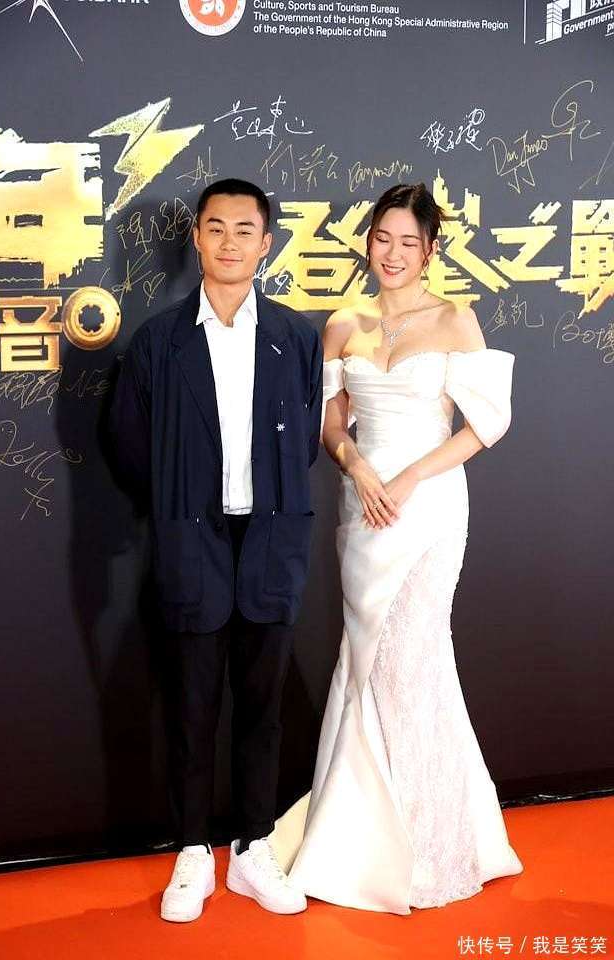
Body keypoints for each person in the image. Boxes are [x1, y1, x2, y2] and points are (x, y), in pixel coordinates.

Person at [272, 182, 523, 913]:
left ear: (430, 250)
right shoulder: (342, 323)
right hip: (363, 504)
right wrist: (355, 466)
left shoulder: (454, 318)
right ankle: (361, 835)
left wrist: (410, 477)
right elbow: (330, 421)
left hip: (430, 504)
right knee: (369, 662)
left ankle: (432, 841)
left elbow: (486, 425)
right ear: (368, 242)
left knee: (416, 656)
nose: (392, 253)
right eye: (382, 238)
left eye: (408, 242)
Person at [109, 179, 323, 921]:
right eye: (216, 228)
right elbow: (129, 446)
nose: (230, 242)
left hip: (271, 537)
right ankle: (193, 851)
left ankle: (253, 848)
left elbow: (304, 438)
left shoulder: (295, 337)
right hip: (191, 537)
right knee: (192, 704)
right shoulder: (159, 341)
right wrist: (181, 496)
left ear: (267, 244)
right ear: (196, 238)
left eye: (245, 230)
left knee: (263, 707)